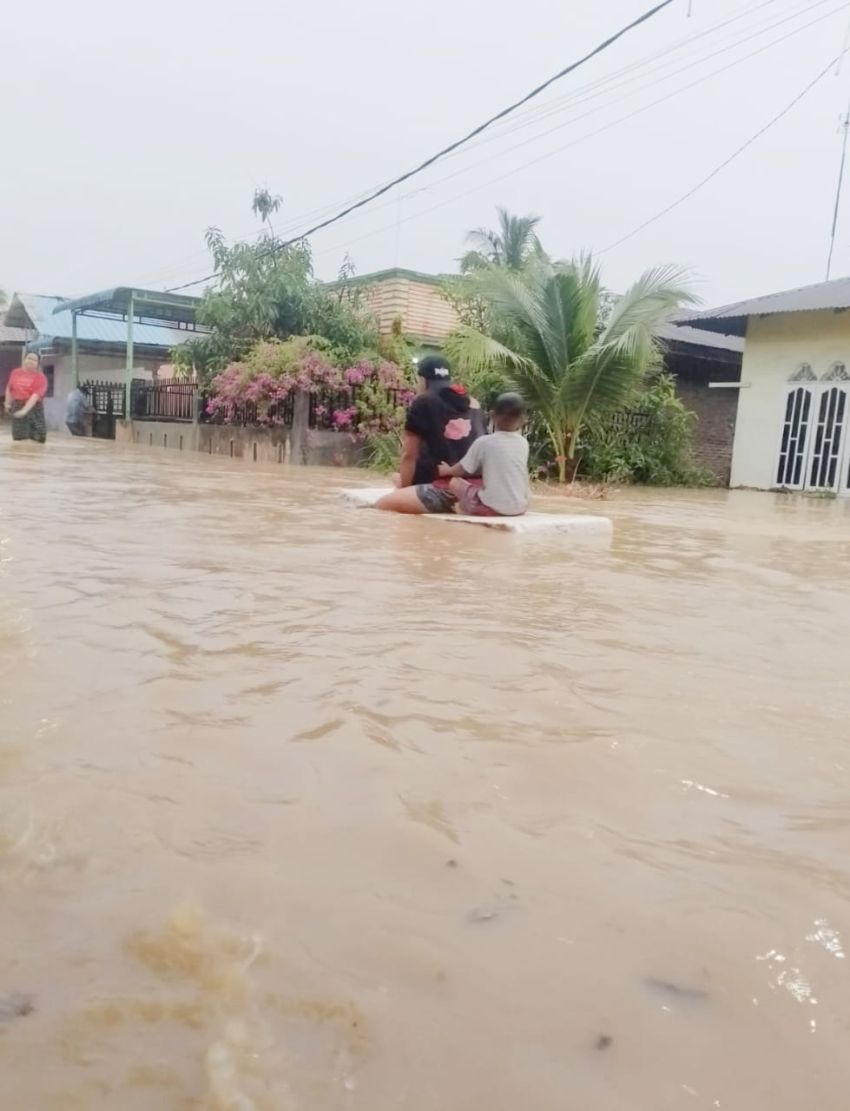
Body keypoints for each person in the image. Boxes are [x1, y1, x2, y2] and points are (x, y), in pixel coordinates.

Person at [376, 356, 486, 514]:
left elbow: (408, 456)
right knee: (395, 477)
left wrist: (404, 493)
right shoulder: (474, 403)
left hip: (444, 489)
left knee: (380, 506)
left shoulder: (423, 402)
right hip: (477, 487)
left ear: (422, 380)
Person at [438, 392, 530, 517]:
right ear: (523, 420)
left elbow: (462, 469)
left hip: (491, 509)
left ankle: (464, 509)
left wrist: (447, 470)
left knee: (455, 482)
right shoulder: (523, 443)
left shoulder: (484, 442)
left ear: (492, 415)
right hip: (520, 509)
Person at [5, 353, 48, 444]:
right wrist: (7, 403)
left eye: (34, 360)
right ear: (24, 360)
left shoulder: (41, 377)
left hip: (35, 407)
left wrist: (24, 411)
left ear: (38, 363)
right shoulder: (15, 372)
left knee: (39, 437)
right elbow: (9, 388)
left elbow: (35, 396)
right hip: (17, 405)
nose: (31, 361)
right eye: (29, 358)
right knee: (20, 437)